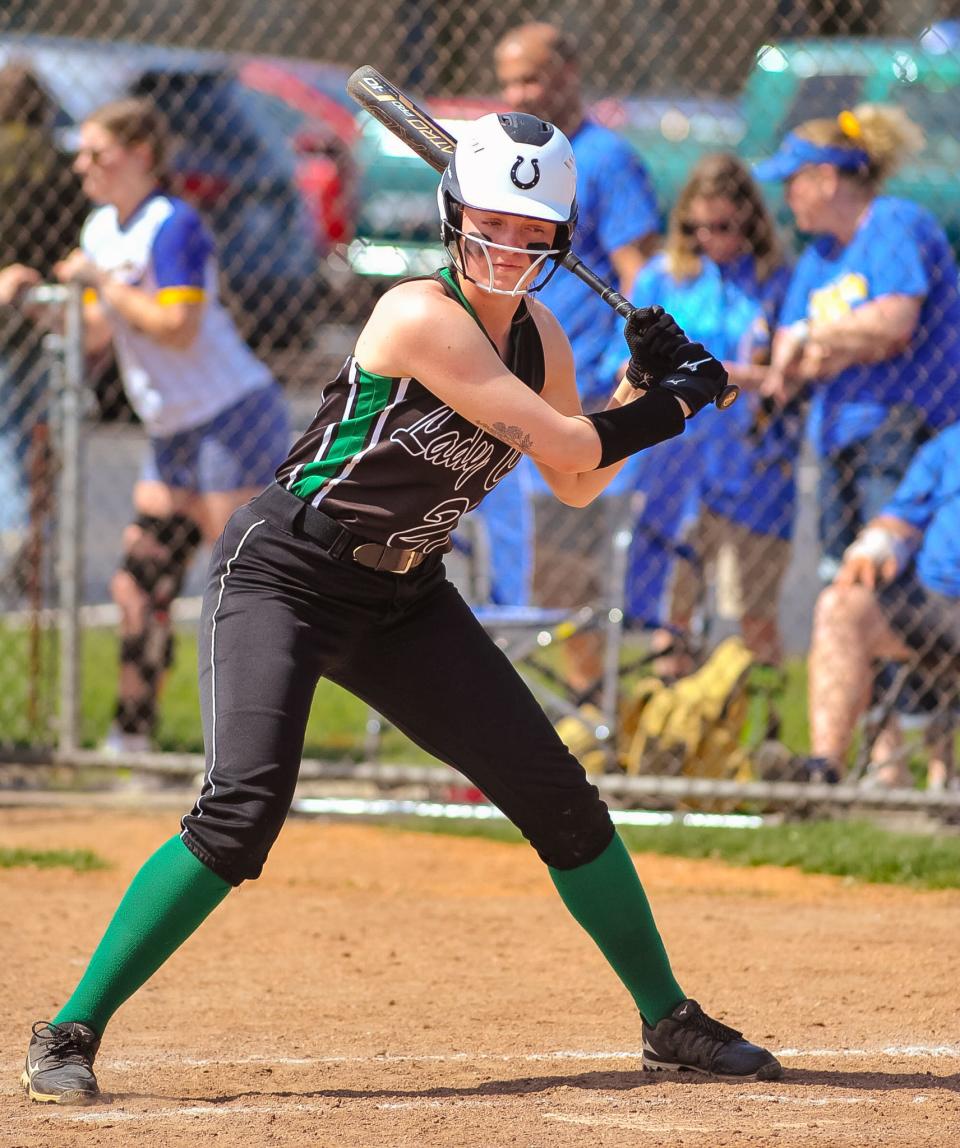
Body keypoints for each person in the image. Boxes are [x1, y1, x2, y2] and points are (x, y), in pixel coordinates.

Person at [21, 112, 780, 1106]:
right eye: (489, 224)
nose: (506, 249)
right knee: (242, 810)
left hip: (405, 592)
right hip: (285, 571)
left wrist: (641, 378)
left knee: (558, 794)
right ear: (453, 216)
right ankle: (69, 1027)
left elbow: (574, 473)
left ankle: (668, 1016)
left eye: (530, 231)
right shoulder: (419, 314)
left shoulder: (542, 333)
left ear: (558, 240)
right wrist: (673, 401)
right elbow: (577, 441)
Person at [50, 98, 290, 753]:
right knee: (138, 579)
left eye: (97, 153)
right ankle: (133, 733)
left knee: (248, 583)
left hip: (228, 416)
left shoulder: (173, 224)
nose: (82, 166)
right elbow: (101, 328)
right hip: (171, 429)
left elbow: (177, 328)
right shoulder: (102, 227)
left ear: (141, 157)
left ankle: (257, 751)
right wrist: (38, 299)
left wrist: (100, 281)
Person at [756, 103, 960, 767]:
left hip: (907, 435)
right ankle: (883, 756)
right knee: (847, 587)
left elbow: (895, 321)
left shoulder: (895, 224)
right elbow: (792, 353)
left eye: (794, 181)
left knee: (899, 588)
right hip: (840, 437)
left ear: (827, 178)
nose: (786, 197)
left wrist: (821, 340)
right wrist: (831, 344)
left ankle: (930, 758)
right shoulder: (820, 256)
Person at [491, 22, 661, 696]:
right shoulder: (511, 160)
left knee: (568, 569)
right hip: (507, 385)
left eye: (531, 77)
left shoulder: (605, 158)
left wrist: (632, 369)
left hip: (581, 391)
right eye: (508, 80)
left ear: (569, 72)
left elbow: (638, 272)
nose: (519, 93)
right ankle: (531, 713)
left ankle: (580, 714)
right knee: (519, 567)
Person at [605, 153, 798, 670]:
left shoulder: (776, 280)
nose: (711, 237)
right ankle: (672, 734)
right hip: (674, 457)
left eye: (725, 226)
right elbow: (624, 363)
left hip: (754, 465)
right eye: (699, 225)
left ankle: (763, 737)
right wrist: (718, 375)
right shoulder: (662, 278)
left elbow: (788, 372)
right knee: (675, 611)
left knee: (755, 615)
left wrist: (712, 371)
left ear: (751, 221)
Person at [805, 422, 960, 788]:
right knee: (840, 607)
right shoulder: (949, 445)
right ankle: (822, 774)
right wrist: (875, 546)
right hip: (933, 602)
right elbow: (899, 517)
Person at [0, 63, 87, 575]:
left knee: (8, 428)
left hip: (6, 301)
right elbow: (71, 232)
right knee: (35, 426)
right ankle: (36, 535)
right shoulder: (58, 161)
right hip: (47, 307)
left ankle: (15, 535)